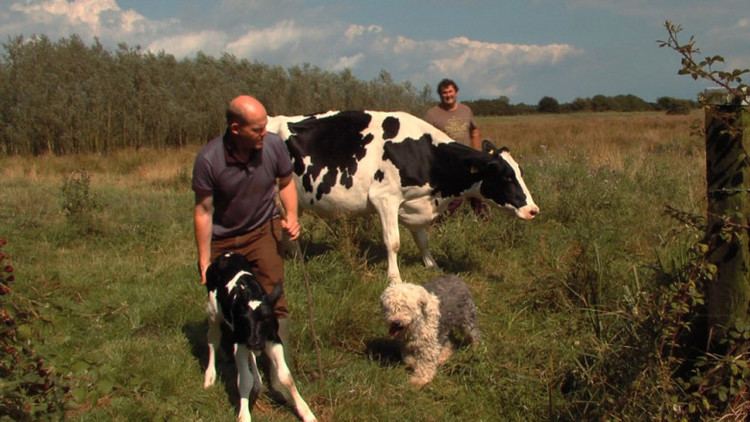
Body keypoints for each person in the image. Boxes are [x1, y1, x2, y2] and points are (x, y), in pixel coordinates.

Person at [192, 94, 300, 339]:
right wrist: (204, 260)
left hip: (263, 228)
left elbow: (285, 183)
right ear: (236, 129)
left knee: (273, 293)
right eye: (257, 129)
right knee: (229, 301)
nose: (265, 132)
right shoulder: (209, 160)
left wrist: (292, 215)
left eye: (265, 126)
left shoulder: (273, 146)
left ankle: (280, 367)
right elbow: (203, 211)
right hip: (223, 238)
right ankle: (235, 354)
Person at [424, 78, 488, 219]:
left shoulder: (466, 110)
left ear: (456, 92)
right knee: (453, 194)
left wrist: (477, 154)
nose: (448, 95)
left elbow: (474, 131)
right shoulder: (432, 114)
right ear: (440, 95)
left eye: (450, 91)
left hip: (468, 159)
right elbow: (425, 139)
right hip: (445, 162)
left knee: (476, 190)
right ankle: (441, 222)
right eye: (444, 93)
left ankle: (484, 220)